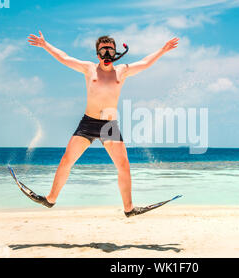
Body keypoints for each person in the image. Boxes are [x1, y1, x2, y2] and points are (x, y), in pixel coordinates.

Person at [27, 32, 179, 217]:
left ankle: (129, 208)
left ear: (116, 53)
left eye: (110, 51)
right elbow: (64, 57)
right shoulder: (89, 69)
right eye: (103, 51)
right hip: (88, 123)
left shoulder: (122, 71)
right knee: (67, 160)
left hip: (109, 126)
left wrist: (163, 49)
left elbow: (145, 63)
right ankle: (50, 199)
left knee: (123, 165)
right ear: (97, 53)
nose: (107, 55)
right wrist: (45, 44)